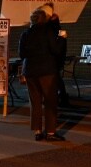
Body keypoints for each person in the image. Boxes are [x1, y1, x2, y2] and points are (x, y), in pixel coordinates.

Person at [18, 8, 66, 141]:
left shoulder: (25, 34)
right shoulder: (48, 32)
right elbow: (56, 50)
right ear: (44, 20)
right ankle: (50, 132)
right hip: (46, 71)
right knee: (50, 101)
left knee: (35, 102)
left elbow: (22, 54)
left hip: (30, 71)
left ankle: (38, 131)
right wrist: (62, 38)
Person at [40, 3, 70, 107]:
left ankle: (60, 98)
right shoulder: (53, 23)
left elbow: (56, 45)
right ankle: (62, 97)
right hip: (55, 58)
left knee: (55, 79)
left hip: (53, 58)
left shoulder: (49, 23)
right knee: (56, 78)